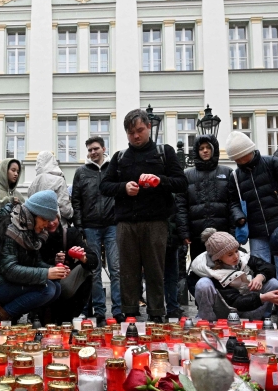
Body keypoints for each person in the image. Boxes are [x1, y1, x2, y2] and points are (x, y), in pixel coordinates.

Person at [100, 109, 187, 323]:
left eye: (139, 130)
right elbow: (104, 185)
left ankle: (157, 312)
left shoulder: (164, 152)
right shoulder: (120, 157)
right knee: (127, 270)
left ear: (149, 127)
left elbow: (182, 183)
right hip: (126, 223)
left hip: (156, 221)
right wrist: (123, 188)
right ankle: (130, 312)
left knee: (155, 270)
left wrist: (160, 181)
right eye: (131, 133)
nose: (136, 136)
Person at [0, 191, 68, 325]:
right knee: (47, 289)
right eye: (44, 219)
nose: (46, 225)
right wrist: (47, 273)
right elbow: (10, 270)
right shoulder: (11, 227)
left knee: (56, 287)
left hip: (5, 280)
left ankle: (9, 316)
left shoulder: (29, 229)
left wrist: (54, 270)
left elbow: (35, 262)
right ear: (34, 214)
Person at [225, 131, 278, 284]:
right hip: (257, 231)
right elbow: (232, 202)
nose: (240, 160)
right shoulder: (235, 176)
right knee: (261, 272)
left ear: (250, 150)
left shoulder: (273, 163)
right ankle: (267, 306)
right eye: (236, 158)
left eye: (242, 156)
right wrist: (238, 216)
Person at [71, 136, 123, 323]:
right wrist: (79, 226)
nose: (93, 152)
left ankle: (118, 310)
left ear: (103, 148)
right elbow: (75, 200)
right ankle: (99, 310)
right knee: (94, 270)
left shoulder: (113, 169)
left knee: (116, 268)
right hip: (90, 226)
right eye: (90, 150)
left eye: (96, 149)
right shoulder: (81, 173)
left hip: (112, 225)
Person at [188, 229, 278, 321]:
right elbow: (234, 301)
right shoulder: (211, 271)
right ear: (218, 258)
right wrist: (264, 297)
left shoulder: (243, 258)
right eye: (230, 254)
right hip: (222, 311)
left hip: (247, 308)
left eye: (236, 251)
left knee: (273, 283)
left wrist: (259, 277)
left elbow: (269, 267)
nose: (236, 256)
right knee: (203, 283)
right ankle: (206, 321)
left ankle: (261, 320)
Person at [175, 134, 235, 263]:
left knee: (225, 269)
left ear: (214, 150)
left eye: (208, 147)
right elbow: (181, 206)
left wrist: (233, 231)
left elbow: (233, 204)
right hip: (198, 235)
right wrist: (184, 233)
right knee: (200, 269)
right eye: (201, 148)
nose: (205, 151)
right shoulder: (187, 175)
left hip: (223, 234)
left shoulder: (227, 172)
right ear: (197, 151)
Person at [38, 218, 99, 325]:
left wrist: (82, 258)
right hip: (44, 281)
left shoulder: (70, 234)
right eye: (47, 220)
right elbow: (34, 263)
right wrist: (53, 262)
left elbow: (94, 261)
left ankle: (71, 316)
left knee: (87, 270)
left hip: (67, 284)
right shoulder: (37, 236)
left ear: (59, 218)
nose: (51, 223)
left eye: (53, 219)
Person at [27, 150, 74, 226]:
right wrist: (72, 214)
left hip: (38, 226)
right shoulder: (59, 180)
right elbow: (65, 209)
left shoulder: (32, 184)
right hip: (56, 226)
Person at [0, 158, 24, 233]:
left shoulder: (19, 195)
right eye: (13, 170)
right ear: (4, 170)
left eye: (18, 172)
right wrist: (6, 202)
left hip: (13, 242)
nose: (16, 174)